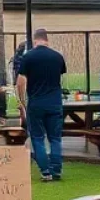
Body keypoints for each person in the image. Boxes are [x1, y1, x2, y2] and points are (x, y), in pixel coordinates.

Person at [18, 28, 67, 181]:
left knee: (38, 138)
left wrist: (22, 100)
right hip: (55, 102)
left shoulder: (28, 57)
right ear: (47, 39)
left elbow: (20, 82)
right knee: (55, 138)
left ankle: (45, 171)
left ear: (34, 40)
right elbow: (61, 80)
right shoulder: (58, 57)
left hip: (36, 103)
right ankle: (57, 169)